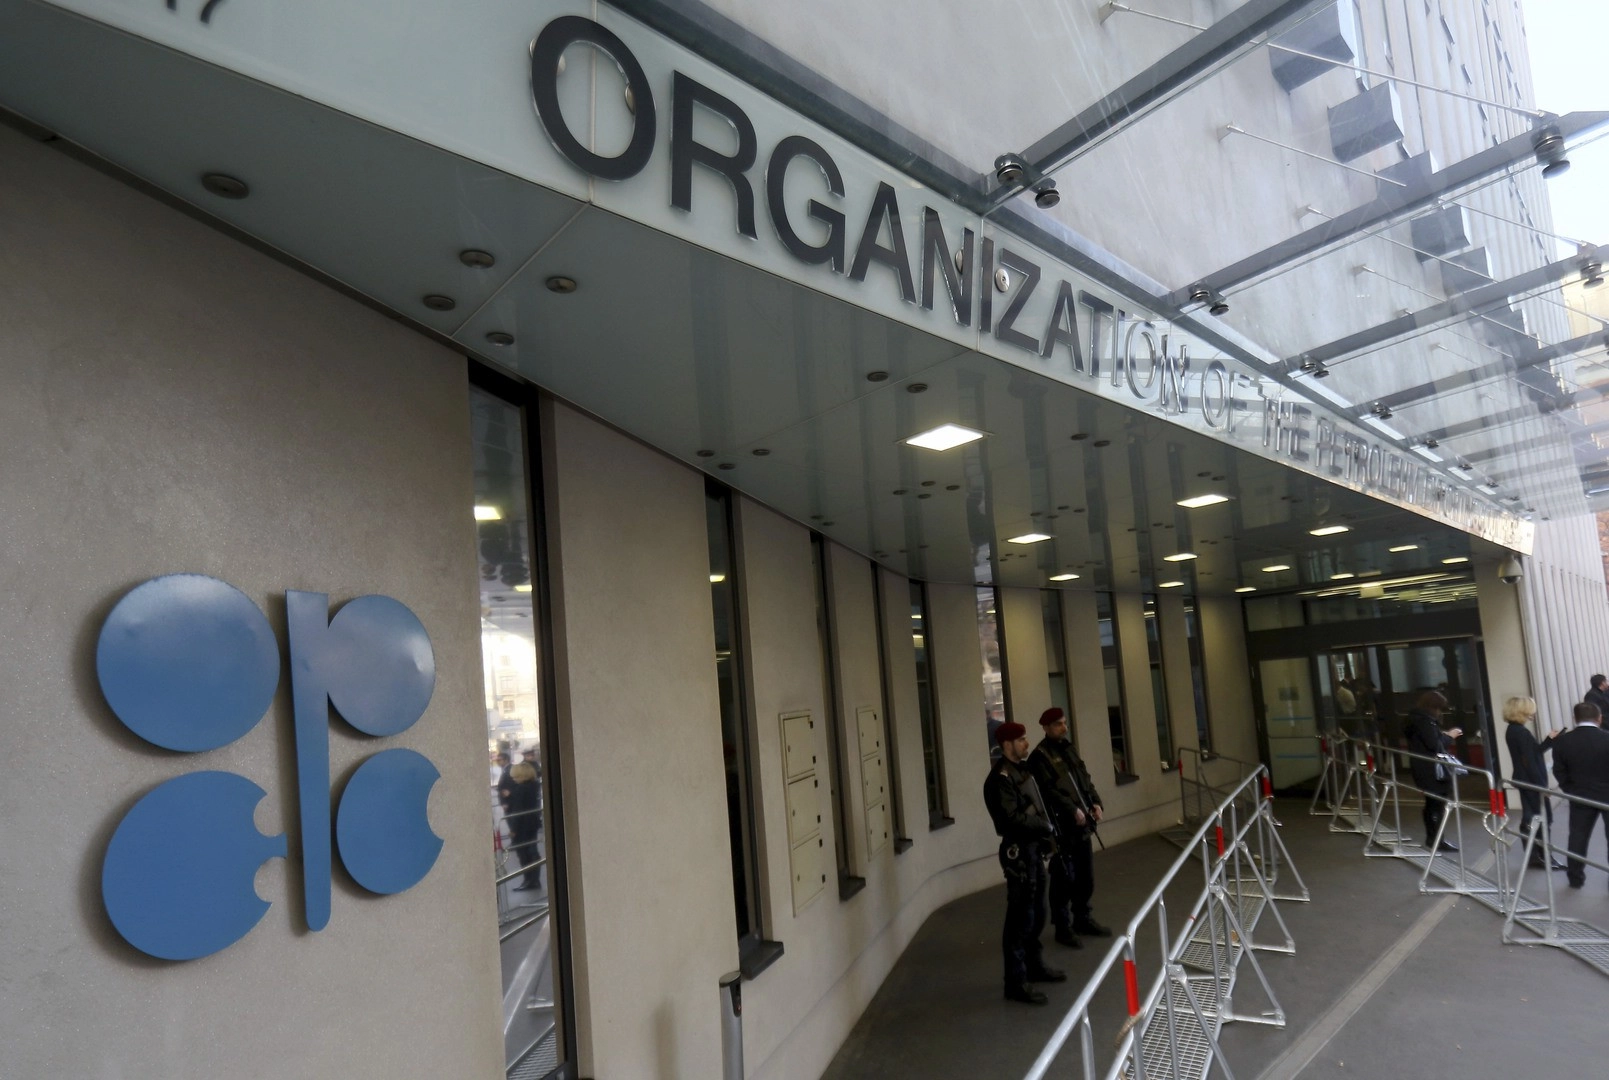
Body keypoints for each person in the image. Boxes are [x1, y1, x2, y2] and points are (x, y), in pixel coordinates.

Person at [983, 721, 1066, 1005]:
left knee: (1037, 913)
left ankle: (1034, 966)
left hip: (1032, 850)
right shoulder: (1000, 779)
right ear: (1007, 745)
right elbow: (1011, 819)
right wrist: (1044, 826)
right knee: (1020, 919)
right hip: (1018, 853)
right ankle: (1016, 982)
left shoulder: (1022, 770)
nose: (1026, 743)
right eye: (1020, 740)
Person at [1027, 707, 1110, 949]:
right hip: (1062, 828)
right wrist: (1072, 809)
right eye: (1058, 724)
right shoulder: (1039, 757)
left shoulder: (1069, 748)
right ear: (1046, 727)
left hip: (1082, 825)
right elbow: (1048, 792)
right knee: (1063, 880)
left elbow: (1085, 779)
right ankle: (1063, 928)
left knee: (1085, 877)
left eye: (1064, 723)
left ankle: (1083, 918)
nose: (1064, 727)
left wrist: (1096, 802)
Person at [1501, 696, 1565, 870]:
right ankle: (1543, 856)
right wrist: (1542, 786)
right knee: (1543, 818)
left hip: (1523, 779)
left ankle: (1534, 856)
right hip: (1531, 781)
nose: (1533, 713)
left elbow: (1531, 753)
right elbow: (1530, 760)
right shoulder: (1521, 732)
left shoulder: (1513, 730)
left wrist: (1549, 741)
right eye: (1531, 710)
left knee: (1531, 817)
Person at [1551, 702, 1609, 890]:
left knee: (1578, 836)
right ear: (1599, 718)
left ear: (1575, 718)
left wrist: (1570, 790)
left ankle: (1575, 878)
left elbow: (1559, 770)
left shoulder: (1562, 742)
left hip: (1580, 795)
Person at [1403, 691, 1463, 853]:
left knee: (1431, 803)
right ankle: (1436, 839)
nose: (1440, 712)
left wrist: (1441, 735)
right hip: (1432, 769)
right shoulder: (1426, 722)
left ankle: (1434, 838)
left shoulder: (1414, 719)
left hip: (1422, 767)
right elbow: (1434, 745)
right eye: (1439, 709)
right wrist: (1450, 736)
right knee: (1437, 804)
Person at [505, 760, 543, 892]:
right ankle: (534, 880)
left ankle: (529, 880)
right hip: (532, 823)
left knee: (523, 854)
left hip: (522, 826)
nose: (513, 779)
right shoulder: (534, 785)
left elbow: (518, 810)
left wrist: (513, 829)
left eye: (516, 776)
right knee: (532, 851)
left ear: (522, 776)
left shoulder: (520, 789)